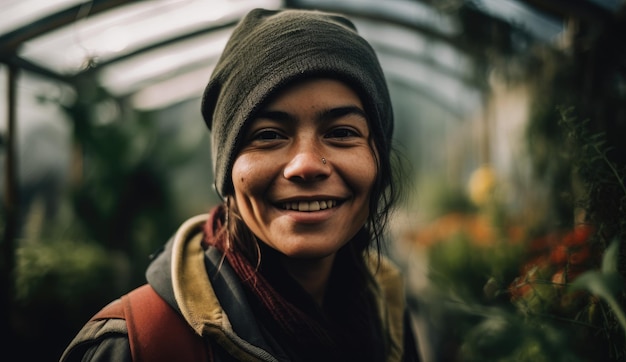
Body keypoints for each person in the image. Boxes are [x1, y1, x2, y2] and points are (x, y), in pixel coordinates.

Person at [60, 7, 420, 362]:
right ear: (227, 171)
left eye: (342, 132)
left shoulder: (385, 313)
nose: (307, 165)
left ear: (378, 157)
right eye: (268, 135)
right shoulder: (136, 346)